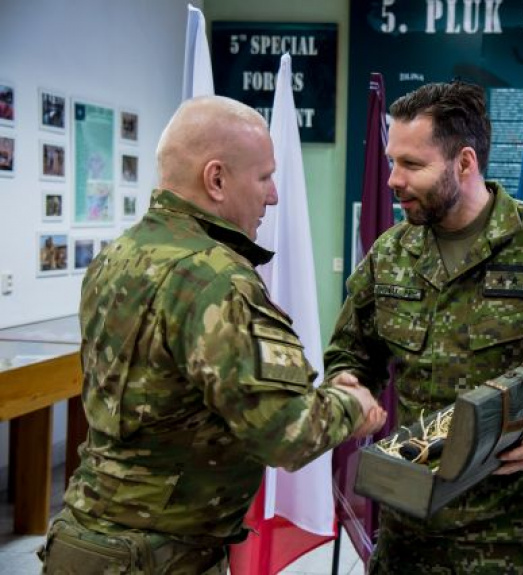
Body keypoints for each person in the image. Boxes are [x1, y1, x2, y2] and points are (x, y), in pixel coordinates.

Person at [39, 96, 386, 574]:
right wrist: (353, 404)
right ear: (216, 179)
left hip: (86, 538)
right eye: (264, 177)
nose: (274, 196)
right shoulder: (216, 280)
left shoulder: (118, 254)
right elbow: (285, 433)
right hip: (157, 557)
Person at [324, 81, 523, 574]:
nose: (393, 180)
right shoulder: (390, 254)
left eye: (411, 164)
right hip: (410, 532)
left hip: (515, 540)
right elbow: (351, 351)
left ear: (464, 163)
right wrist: (348, 384)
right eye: (391, 162)